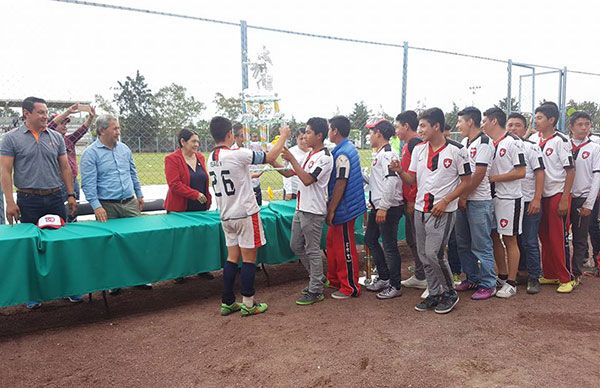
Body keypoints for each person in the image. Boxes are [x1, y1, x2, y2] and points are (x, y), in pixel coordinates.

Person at [0, 96, 77, 309]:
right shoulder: (10, 139)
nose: (45, 116)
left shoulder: (56, 137)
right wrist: (9, 201)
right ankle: (33, 292)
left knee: (60, 243)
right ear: (27, 113)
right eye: (41, 112)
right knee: (32, 246)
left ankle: (68, 288)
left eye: (46, 112)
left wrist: (70, 195)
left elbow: (65, 168)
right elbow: (5, 171)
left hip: (55, 197)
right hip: (28, 200)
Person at [208, 116, 290, 317]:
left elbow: (235, 175)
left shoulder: (211, 157)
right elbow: (270, 157)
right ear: (229, 134)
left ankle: (227, 301)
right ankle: (248, 302)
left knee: (232, 258)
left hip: (226, 214)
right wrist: (284, 137)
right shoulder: (237, 153)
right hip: (245, 213)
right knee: (249, 259)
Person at [398, 108, 471, 314]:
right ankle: (435, 292)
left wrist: (446, 200)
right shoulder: (419, 150)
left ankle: (450, 292)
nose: (419, 130)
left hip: (442, 210)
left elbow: (467, 181)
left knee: (435, 253)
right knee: (423, 254)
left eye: (423, 125)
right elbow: (411, 179)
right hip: (421, 209)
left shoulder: (457, 150)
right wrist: (399, 172)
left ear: (436, 126)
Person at [80, 114, 148, 294]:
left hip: (130, 203)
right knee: (111, 245)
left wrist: (139, 195)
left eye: (118, 128)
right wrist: (96, 206)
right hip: (107, 206)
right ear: (102, 130)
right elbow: (88, 183)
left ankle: (139, 278)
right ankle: (114, 282)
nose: (119, 131)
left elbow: (133, 173)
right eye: (115, 128)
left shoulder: (124, 149)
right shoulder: (90, 153)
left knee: (136, 240)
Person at [273, 117, 332, 305]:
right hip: (301, 208)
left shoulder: (324, 157)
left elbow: (307, 179)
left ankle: (316, 289)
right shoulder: (311, 155)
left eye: (308, 132)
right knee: (296, 245)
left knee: (312, 249)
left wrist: (291, 159)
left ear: (319, 135)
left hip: (313, 210)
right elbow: (291, 173)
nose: (304, 136)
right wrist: (272, 161)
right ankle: (317, 277)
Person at [453, 107, 497, 301]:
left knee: (481, 244)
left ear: (470, 122)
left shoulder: (485, 142)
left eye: (460, 121)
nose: (458, 125)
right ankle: (472, 278)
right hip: (463, 200)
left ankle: (489, 283)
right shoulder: (464, 142)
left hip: (479, 201)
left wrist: (464, 195)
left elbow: (479, 174)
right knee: (463, 243)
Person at [483, 107, 526, 298]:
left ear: (493, 121)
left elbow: (520, 172)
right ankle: (501, 275)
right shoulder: (491, 143)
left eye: (485, 120)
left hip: (510, 199)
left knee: (510, 238)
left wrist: (494, 178)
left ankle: (511, 282)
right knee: (493, 236)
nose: (482, 124)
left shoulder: (513, 142)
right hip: (492, 198)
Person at [533, 103, 576, 293]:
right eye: (536, 117)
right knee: (544, 235)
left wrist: (565, 197)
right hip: (541, 193)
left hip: (557, 192)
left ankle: (566, 278)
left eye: (540, 117)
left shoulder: (561, 140)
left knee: (557, 237)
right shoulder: (535, 139)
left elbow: (571, 170)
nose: (536, 120)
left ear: (551, 120)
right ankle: (550, 273)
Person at [164, 128, 213, 282]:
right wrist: (195, 194)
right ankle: (180, 272)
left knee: (200, 239)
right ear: (183, 142)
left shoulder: (200, 157)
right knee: (181, 242)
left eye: (198, 141)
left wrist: (207, 197)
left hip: (200, 206)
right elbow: (174, 184)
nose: (197, 144)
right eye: (193, 141)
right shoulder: (172, 159)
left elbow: (204, 180)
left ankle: (202, 268)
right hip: (180, 207)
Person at [326, 115, 366, 299]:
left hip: (344, 208)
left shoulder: (342, 153)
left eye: (329, 128)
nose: (328, 132)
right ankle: (335, 280)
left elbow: (341, 182)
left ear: (335, 131)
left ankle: (350, 286)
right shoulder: (344, 149)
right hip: (345, 205)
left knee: (344, 247)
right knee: (334, 244)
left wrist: (332, 208)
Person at [363, 119, 404, 299]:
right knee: (370, 238)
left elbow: (392, 180)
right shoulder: (380, 154)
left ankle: (395, 284)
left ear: (379, 133)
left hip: (388, 207)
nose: (369, 136)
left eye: (371, 132)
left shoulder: (388, 154)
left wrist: (384, 207)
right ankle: (384, 276)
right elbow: (379, 181)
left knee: (389, 245)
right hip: (378, 206)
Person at [507, 113, 545, 294]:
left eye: (517, 125)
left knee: (530, 240)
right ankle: (521, 272)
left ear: (524, 129)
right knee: (516, 239)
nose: (513, 128)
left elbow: (539, 173)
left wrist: (537, 198)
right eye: (510, 125)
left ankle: (534, 276)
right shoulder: (503, 146)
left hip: (529, 200)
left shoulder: (532, 147)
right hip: (512, 202)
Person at [394, 111, 428, 292]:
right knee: (412, 238)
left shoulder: (415, 144)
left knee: (417, 238)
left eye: (398, 126)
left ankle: (425, 275)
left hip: (414, 200)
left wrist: (412, 198)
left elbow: (416, 175)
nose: (396, 131)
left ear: (406, 126)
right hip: (409, 199)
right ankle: (420, 273)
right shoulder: (409, 144)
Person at [48, 103, 96, 223]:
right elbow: (50, 126)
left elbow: (82, 130)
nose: (65, 126)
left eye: (66, 123)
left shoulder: (69, 139)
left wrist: (90, 117)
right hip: (58, 182)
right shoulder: (48, 139)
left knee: (74, 210)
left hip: (73, 181)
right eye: (61, 123)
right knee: (61, 213)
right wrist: (68, 111)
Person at [568, 111, 600, 282]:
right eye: (579, 124)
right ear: (571, 127)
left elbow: (597, 177)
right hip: (563, 196)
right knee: (560, 236)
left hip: (582, 197)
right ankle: (562, 269)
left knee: (580, 238)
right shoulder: (564, 144)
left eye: (587, 124)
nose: (584, 127)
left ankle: (576, 272)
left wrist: (589, 203)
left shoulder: (595, 148)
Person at [282, 128, 310, 200]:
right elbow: (286, 172)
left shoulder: (312, 151)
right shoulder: (291, 152)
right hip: (293, 191)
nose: (303, 141)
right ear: (296, 139)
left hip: (307, 191)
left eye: (305, 138)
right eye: (301, 139)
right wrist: (289, 191)